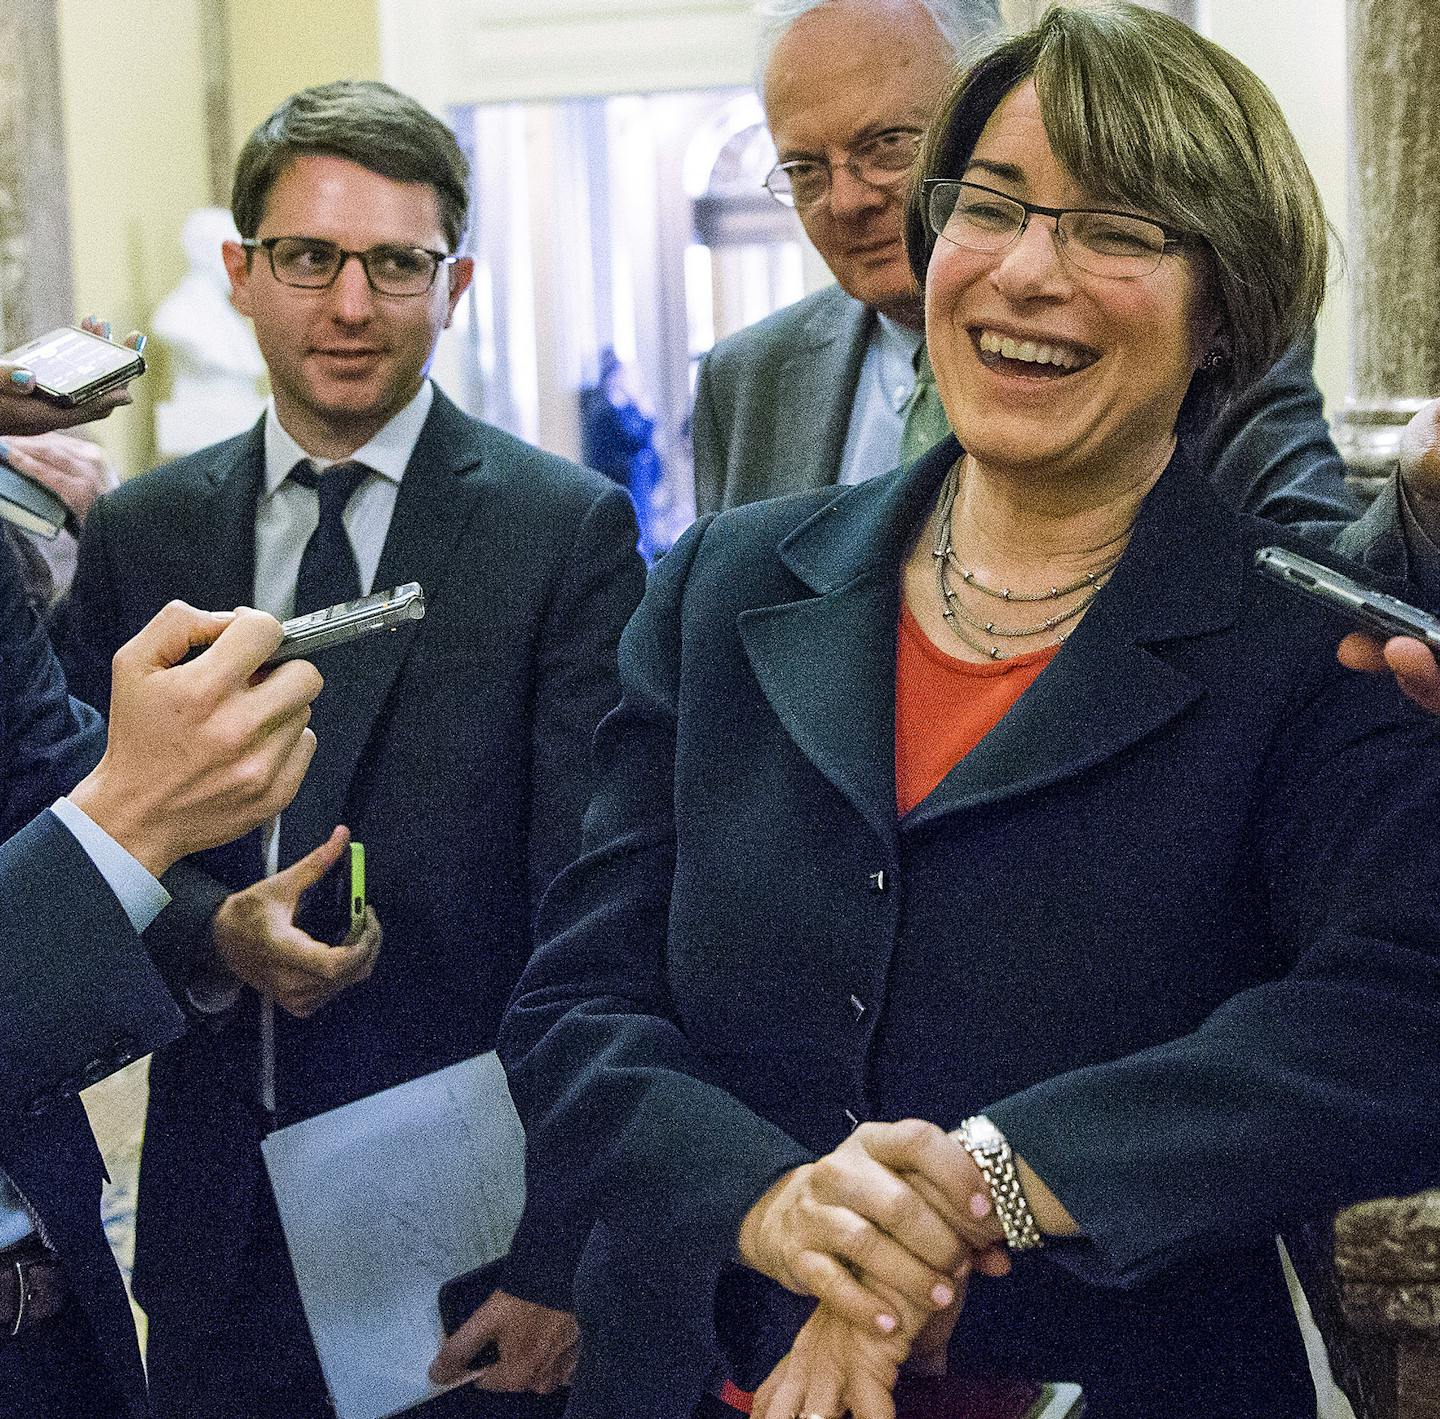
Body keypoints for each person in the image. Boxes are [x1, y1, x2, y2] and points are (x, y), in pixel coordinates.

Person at [498, 7, 1440, 1418]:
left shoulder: (1317, 643)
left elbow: (1390, 1022)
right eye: (989, 208)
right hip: (698, 1371)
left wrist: (991, 1175)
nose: (1025, 272)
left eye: (1118, 229)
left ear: (1225, 308)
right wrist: (773, 1202)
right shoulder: (722, 585)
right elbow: (578, 1004)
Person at [59, 82, 646, 1419]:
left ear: (459, 286)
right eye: (309, 258)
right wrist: (216, 935)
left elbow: (602, 914)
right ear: (241, 275)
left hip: (468, 1252)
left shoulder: (562, 533)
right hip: (211, 1231)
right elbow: (73, 841)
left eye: (397, 264)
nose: (349, 303)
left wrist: (564, 1249)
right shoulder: (142, 534)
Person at [691, 0, 1357, 542]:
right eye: (806, 169)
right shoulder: (745, 377)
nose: (847, 200)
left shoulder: (1191, 335)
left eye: (888, 145)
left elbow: (1327, 566)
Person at [0, 338, 323, 1419]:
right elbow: (92, 821)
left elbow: (46, 780)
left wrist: (210, 919)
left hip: (54, 1313)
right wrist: (133, 816)